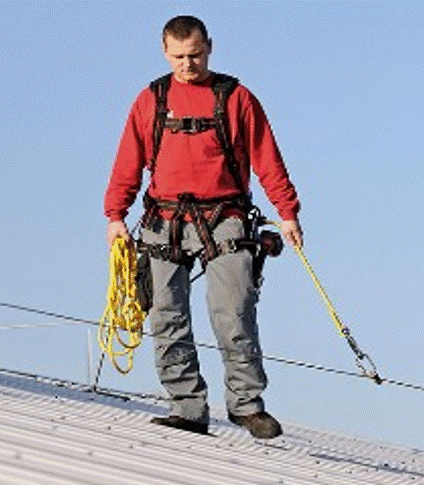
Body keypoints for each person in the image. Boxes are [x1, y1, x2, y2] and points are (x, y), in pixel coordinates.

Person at [104, 15, 302, 439]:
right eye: (178, 57)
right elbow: (128, 161)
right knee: (165, 316)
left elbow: (267, 158)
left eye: (194, 55)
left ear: (209, 47)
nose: (187, 65)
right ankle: (187, 407)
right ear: (164, 52)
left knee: (234, 312)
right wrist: (115, 216)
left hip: (225, 219)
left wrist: (287, 212)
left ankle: (246, 406)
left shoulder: (237, 99)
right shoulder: (151, 100)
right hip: (163, 221)